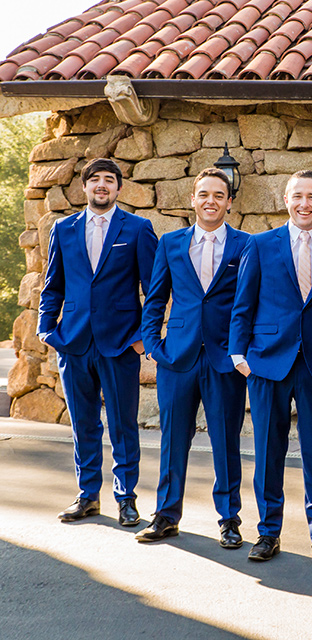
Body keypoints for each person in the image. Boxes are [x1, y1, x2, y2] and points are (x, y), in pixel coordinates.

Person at [38, 157, 158, 527]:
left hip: (119, 344)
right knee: (83, 424)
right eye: (95, 180)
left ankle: (126, 498)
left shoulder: (138, 229)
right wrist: (47, 330)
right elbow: (52, 284)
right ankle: (88, 496)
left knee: (123, 425)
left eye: (109, 180)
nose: (102, 185)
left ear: (119, 188)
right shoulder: (63, 228)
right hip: (73, 342)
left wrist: (142, 338)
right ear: (85, 187)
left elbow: (153, 288)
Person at [229, 170, 312, 564]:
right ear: (286, 199)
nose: (304, 203)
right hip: (266, 361)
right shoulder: (259, 245)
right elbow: (243, 303)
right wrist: (238, 356)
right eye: (298, 196)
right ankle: (267, 532)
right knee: (267, 451)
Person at [138, 168, 250, 548]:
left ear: (229, 202)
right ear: (192, 199)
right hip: (177, 357)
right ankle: (166, 515)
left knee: (225, 441)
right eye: (204, 194)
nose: (211, 201)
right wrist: (153, 345)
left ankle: (229, 519)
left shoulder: (246, 245)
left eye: (219, 195)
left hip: (224, 359)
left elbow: (249, 303)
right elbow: (154, 299)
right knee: (172, 440)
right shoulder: (170, 243)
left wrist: (242, 350)